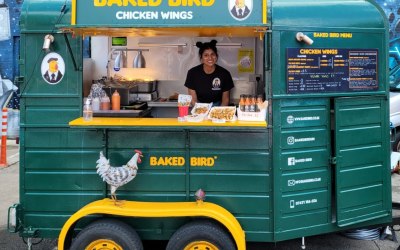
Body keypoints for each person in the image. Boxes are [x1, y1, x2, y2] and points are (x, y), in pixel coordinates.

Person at [184, 40, 234, 106]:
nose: (210, 58)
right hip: (199, 106)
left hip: (218, 107)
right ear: (201, 58)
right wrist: (200, 112)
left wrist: (219, 113)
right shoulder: (192, 73)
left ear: (216, 56)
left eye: (212, 54)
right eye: (206, 55)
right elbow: (193, 99)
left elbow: (225, 99)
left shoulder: (225, 74)